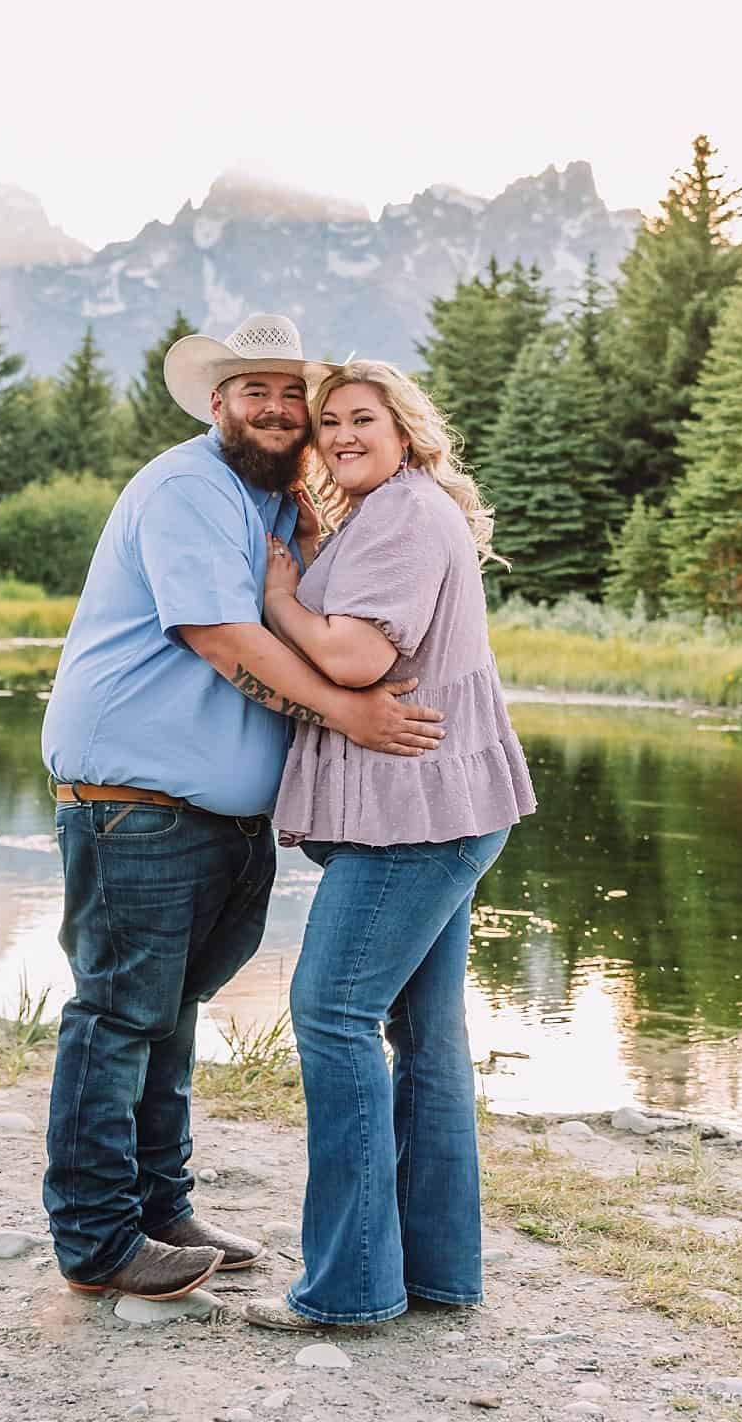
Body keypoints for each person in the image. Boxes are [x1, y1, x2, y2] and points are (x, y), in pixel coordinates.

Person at [40, 316, 447, 1303]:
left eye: (288, 392)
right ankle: (96, 1239)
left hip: (215, 820)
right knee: (118, 1012)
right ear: (216, 403)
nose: (272, 406)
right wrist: (352, 710)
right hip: (134, 804)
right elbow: (220, 635)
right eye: (250, 389)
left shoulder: (263, 503)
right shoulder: (188, 486)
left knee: (168, 1013)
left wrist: (308, 533)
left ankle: (161, 1207)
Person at [243, 360, 536, 1331]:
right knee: (426, 1035)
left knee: (330, 1012)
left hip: (414, 817)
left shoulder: (408, 512)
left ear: (405, 431)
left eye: (361, 418)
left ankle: (351, 1286)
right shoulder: (395, 509)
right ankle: (438, 1272)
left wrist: (281, 594)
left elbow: (359, 654)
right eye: (328, 424)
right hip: (438, 809)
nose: (338, 435)